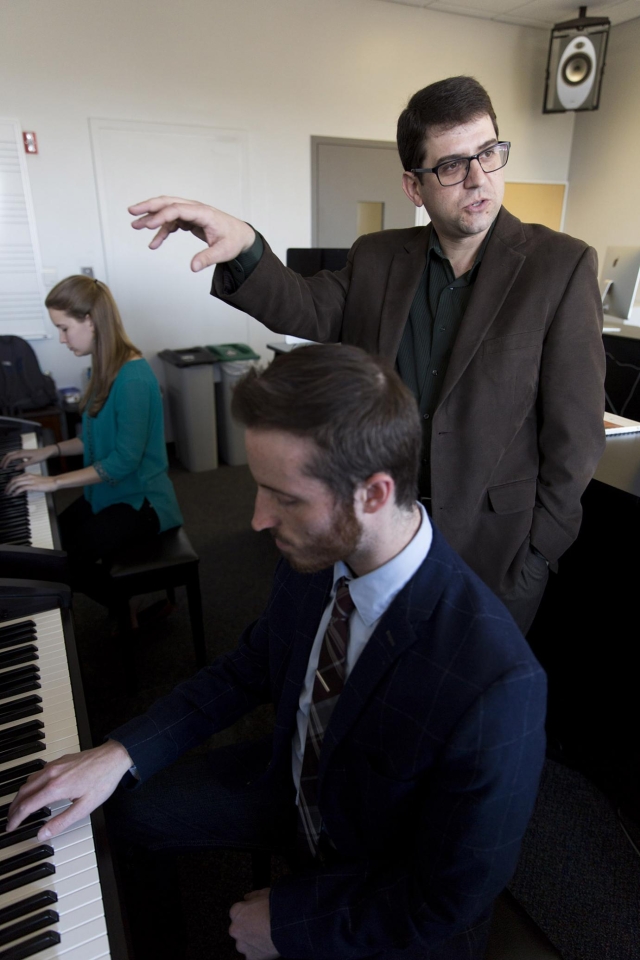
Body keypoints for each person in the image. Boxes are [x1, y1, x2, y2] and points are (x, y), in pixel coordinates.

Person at [8, 344, 547, 960]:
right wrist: (121, 751)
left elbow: (449, 899)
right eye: (258, 488)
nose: (259, 520)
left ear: (372, 494)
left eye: (285, 498)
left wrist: (294, 920)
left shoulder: (497, 682)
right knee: (116, 811)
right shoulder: (315, 556)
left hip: (378, 877)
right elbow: (247, 669)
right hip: (290, 784)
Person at [126, 75, 606, 633]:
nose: (478, 178)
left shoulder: (560, 266)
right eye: (452, 165)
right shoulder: (378, 258)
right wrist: (247, 246)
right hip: (380, 529)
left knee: (461, 702)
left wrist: (541, 552)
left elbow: (575, 434)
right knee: (376, 675)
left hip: (497, 549)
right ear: (413, 185)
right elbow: (304, 306)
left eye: (489, 154)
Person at [1, 275, 183, 606]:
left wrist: (52, 481)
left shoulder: (133, 380)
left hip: (143, 502)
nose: (60, 338)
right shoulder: (104, 369)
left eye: (64, 328)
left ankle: (124, 610)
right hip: (108, 493)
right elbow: (93, 439)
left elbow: (123, 461)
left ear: (91, 321)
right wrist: (50, 450)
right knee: (48, 549)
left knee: (62, 562)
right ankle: (121, 607)